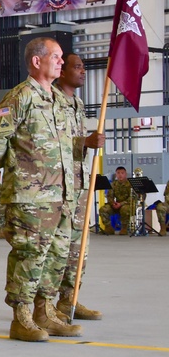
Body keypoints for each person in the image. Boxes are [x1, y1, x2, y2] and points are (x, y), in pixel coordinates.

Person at [0, 37, 98, 341]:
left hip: (60, 194)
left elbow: (63, 145)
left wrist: (83, 144)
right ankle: (21, 318)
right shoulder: (20, 97)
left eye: (61, 58)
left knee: (57, 255)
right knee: (30, 255)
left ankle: (44, 313)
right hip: (30, 196)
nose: (61, 62)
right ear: (37, 61)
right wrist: (19, 168)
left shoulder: (58, 100)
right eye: (57, 57)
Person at [53, 52, 104, 320]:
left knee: (79, 247)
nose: (83, 71)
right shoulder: (51, 100)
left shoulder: (79, 103)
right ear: (62, 71)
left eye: (84, 67)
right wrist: (84, 142)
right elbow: (51, 142)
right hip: (59, 186)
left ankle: (69, 299)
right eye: (77, 67)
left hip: (80, 184)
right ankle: (45, 305)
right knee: (56, 247)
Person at [99, 166, 135, 235]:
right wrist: (113, 203)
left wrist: (121, 204)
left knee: (125, 209)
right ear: (116, 174)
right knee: (103, 209)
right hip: (116, 205)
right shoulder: (114, 184)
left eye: (122, 173)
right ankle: (109, 228)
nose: (120, 175)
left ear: (125, 174)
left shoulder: (130, 184)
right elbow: (109, 196)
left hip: (127, 205)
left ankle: (124, 228)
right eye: (118, 173)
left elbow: (132, 198)